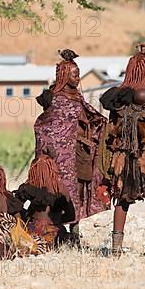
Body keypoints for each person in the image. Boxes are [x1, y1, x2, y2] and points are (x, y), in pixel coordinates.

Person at [99, 44, 145, 256]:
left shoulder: (117, 98)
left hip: (122, 156)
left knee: (122, 199)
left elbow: (110, 130)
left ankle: (116, 250)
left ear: (129, 70)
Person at [34, 49, 108, 244]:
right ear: (65, 74)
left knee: (76, 193)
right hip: (57, 159)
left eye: (78, 74)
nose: (77, 78)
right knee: (56, 193)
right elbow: (45, 127)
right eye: (74, 74)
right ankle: (53, 235)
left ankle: (74, 235)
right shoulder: (54, 99)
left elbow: (90, 117)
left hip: (76, 157)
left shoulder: (77, 98)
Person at [14, 152, 76, 253]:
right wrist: (56, 221)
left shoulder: (27, 187)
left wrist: (28, 216)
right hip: (55, 232)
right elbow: (71, 216)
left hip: (32, 230)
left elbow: (15, 208)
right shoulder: (61, 188)